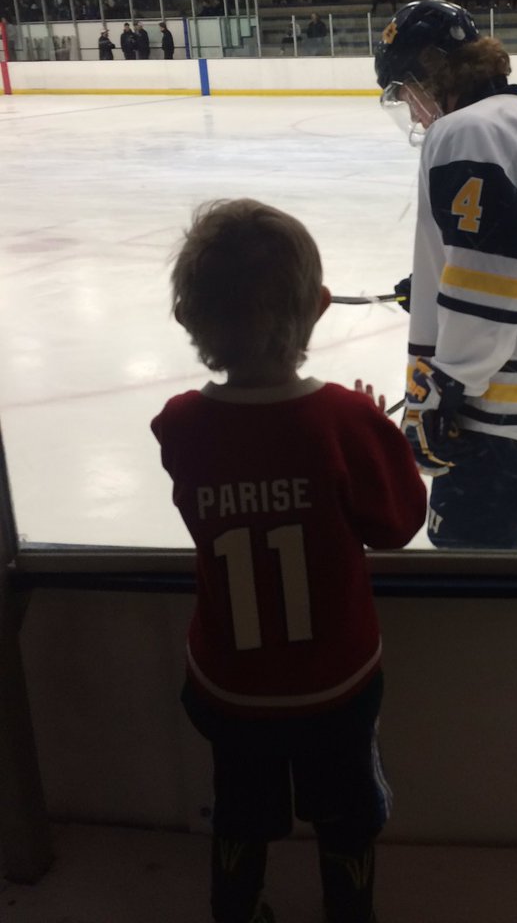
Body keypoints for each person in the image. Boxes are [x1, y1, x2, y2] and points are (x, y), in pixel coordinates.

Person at [151, 198, 426, 923]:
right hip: (334, 685)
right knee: (347, 816)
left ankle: (234, 911)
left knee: (241, 813)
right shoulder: (344, 421)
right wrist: (376, 432)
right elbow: (396, 524)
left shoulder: (180, 423)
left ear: (191, 320)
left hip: (230, 684)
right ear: (320, 307)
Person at [374, 0, 517, 551]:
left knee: (467, 567)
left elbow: (494, 279)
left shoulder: (467, 131)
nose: (409, 108)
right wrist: (435, 286)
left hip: (509, 401)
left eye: (405, 88)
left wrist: (445, 385)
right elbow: (512, 247)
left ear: (430, 68)